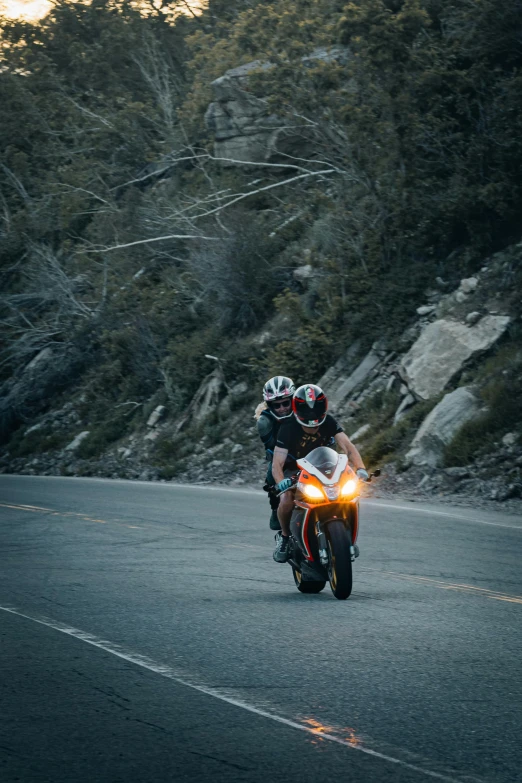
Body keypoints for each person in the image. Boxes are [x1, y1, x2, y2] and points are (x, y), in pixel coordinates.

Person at [271, 383, 368, 563]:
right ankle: (284, 538)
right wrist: (281, 482)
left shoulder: (329, 421)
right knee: (285, 499)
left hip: (326, 466)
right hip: (296, 470)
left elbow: (348, 447)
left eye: (316, 408)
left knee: (352, 491)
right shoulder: (288, 427)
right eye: (306, 409)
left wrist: (361, 469)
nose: (312, 415)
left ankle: (346, 534)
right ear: (297, 408)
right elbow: (277, 463)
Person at [254, 376, 296, 530]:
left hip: (309, 454)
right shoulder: (264, 422)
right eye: (276, 405)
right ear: (269, 405)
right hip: (282, 458)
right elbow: (272, 450)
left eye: (286, 403)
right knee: (272, 476)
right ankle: (275, 509)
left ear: (292, 400)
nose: (282, 408)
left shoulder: (304, 411)